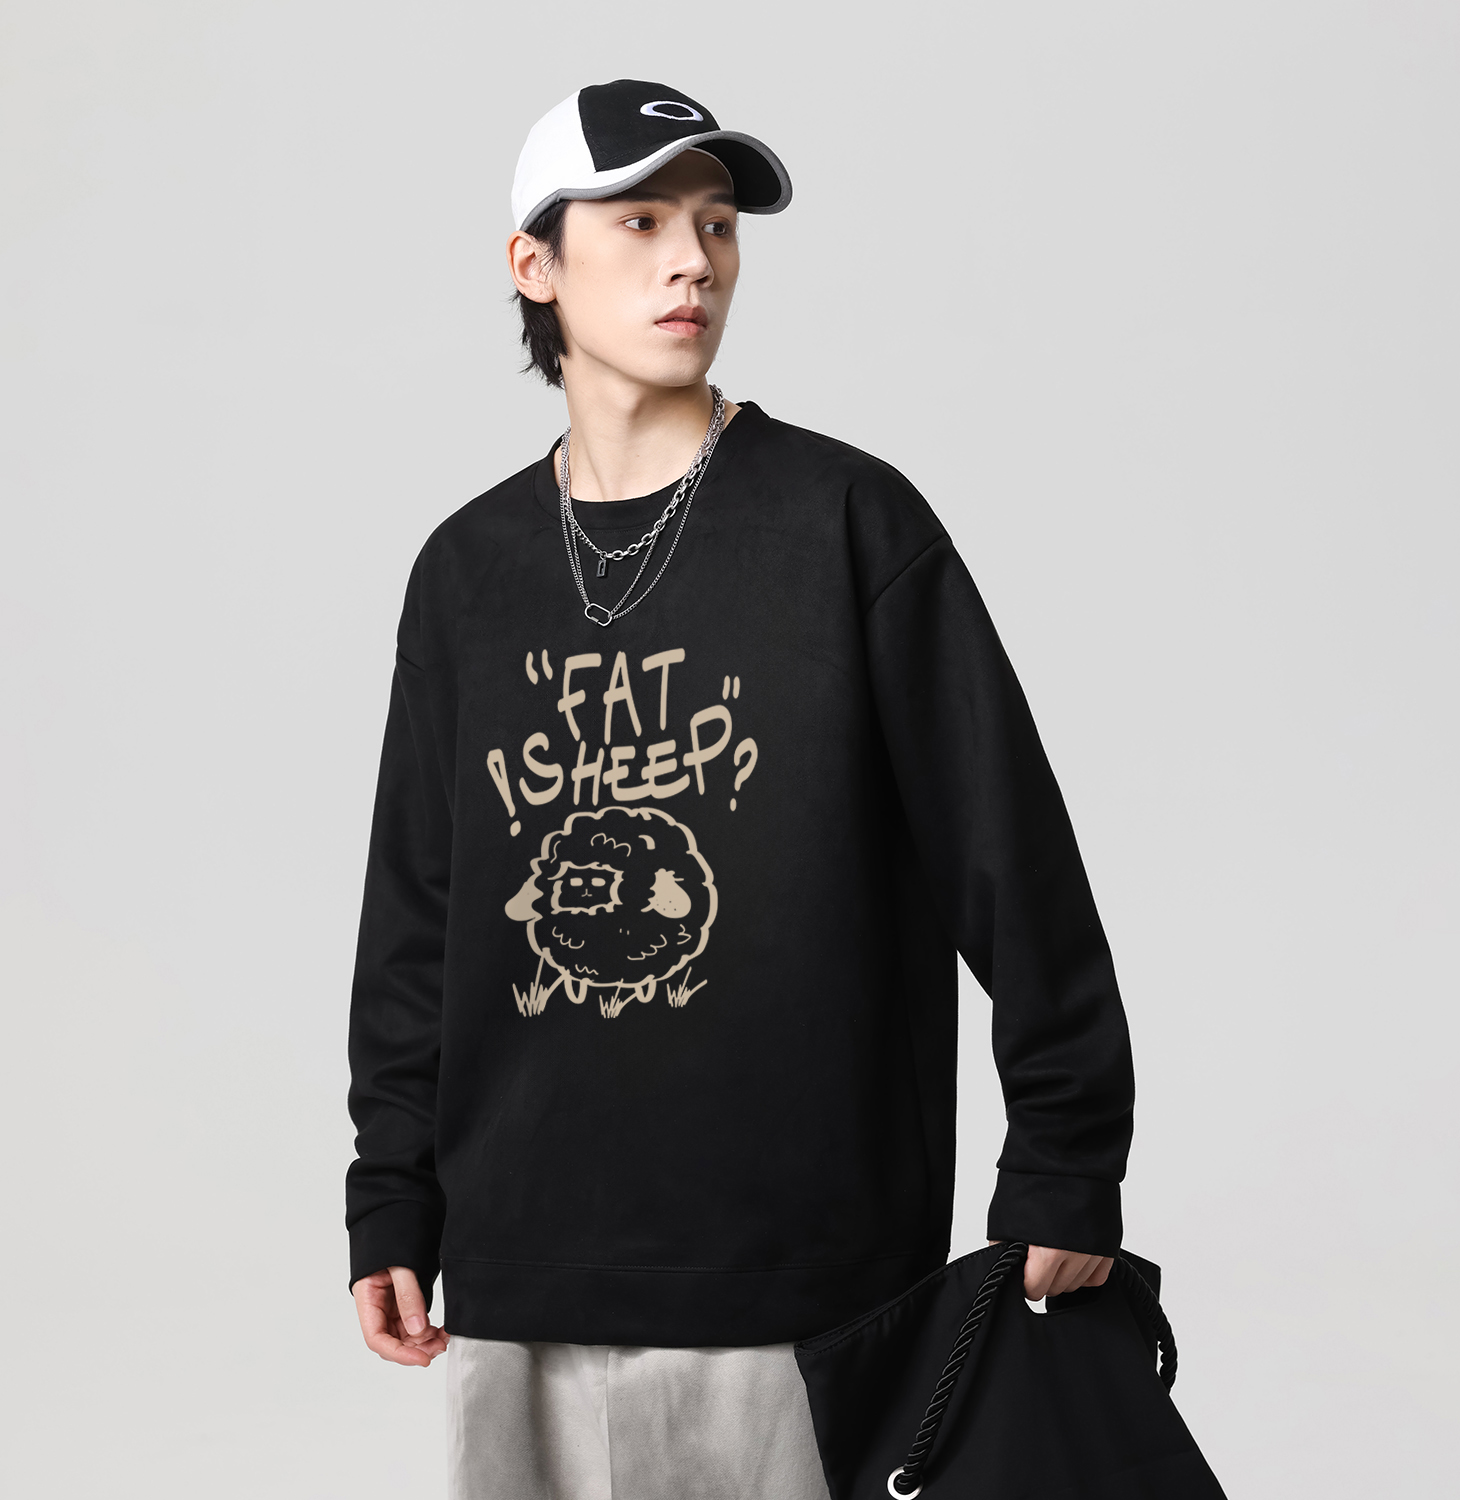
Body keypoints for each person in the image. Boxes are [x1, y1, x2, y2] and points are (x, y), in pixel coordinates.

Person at [346, 79, 1135, 1500]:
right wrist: (390, 1193)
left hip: (801, 1278)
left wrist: (1066, 1160)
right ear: (534, 264)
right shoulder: (465, 574)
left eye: (715, 225)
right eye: (641, 222)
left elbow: (1009, 855)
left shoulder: (846, 523)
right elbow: (420, 910)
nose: (692, 262)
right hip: (522, 1267)